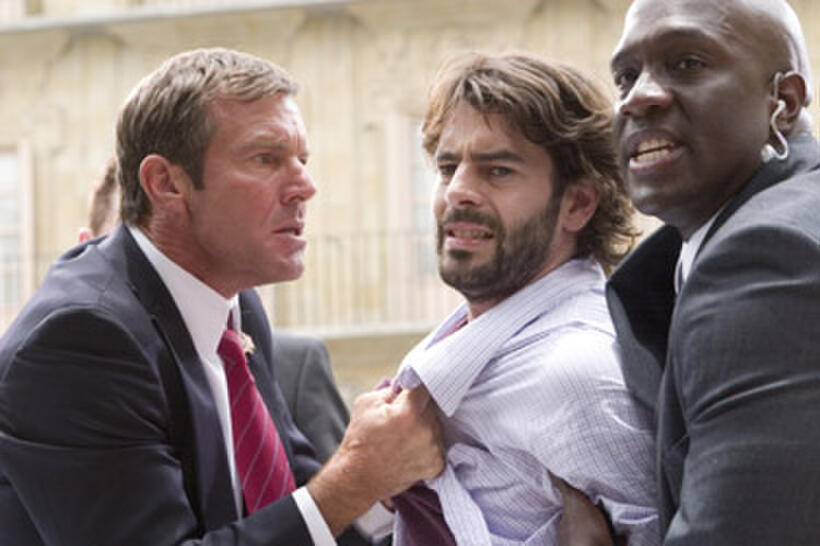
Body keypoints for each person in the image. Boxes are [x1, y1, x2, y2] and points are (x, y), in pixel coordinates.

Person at [0, 47, 443, 545]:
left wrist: (388, 482)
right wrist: (357, 478)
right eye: (265, 159)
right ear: (166, 183)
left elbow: (290, 500)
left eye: (301, 159)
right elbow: (321, 501)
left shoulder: (236, 302)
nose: (305, 186)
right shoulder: (78, 340)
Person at [561, 1, 820, 544]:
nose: (640, 96)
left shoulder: (765, 258)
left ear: (785, 101)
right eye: (625, 77)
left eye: (688, 63)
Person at [389, 51, 659, 546]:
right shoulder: (452, 358)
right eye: (448, 167)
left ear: (577, 203)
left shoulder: (578, 375)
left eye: (498, 172)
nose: (458, 192)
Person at [78, 157, 349, 464]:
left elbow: (337, 505)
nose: (156, 261)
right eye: (136, 241)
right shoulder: (83, 370)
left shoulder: (285, 361)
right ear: (89, 248)